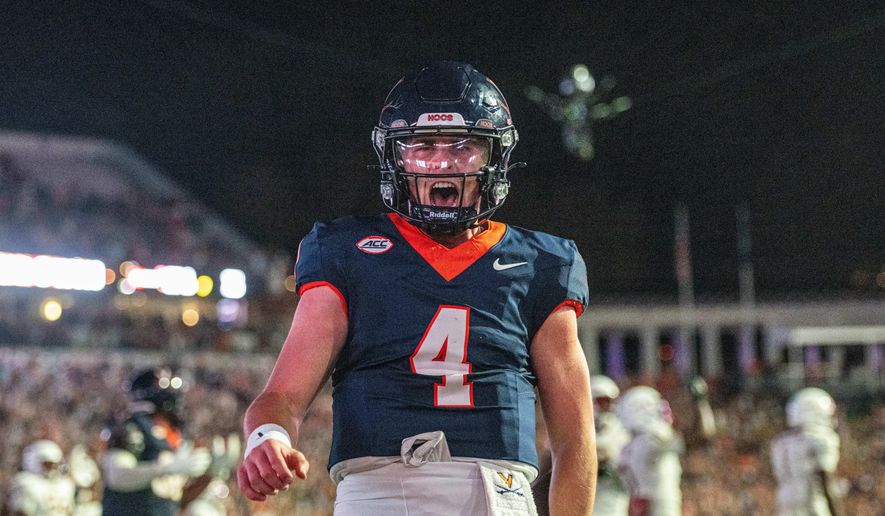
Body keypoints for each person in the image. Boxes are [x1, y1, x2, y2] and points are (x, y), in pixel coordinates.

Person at [237, 61, 597, 515]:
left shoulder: (542, 262)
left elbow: (575, 440)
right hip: (380, 493)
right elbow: (281, 397)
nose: (443, 161)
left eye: (464, 145)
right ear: (396, 157)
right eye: (423, 145)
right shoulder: (345, 250)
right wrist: (267, 437)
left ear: (494, 155)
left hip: (499, 491)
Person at [101, 367, 213, 516]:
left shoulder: (170, 434)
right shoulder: (133, 428)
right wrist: (166, 468)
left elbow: (171, 497)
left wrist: (211, 474)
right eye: (165, 386)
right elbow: (118, 476)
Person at [770, 387, 844, 516]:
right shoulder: (821, 440)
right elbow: (826, 482)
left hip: (785, 509)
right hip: (812, 508)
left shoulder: (780, 443)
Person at [615, 386, 683, 516]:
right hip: (658, 507)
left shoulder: (629, 445)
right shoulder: (648, 441)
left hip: (642, 505)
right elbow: (685, 442)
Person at [590, 375, 630, 516]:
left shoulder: (621, 429)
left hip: (613, 493)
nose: (607, 406)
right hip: (588, 492)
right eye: (602, 401)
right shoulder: (579, 428)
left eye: (609, 401)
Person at [8, 439, 76, 515]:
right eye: (47, 464)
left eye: (54, 464)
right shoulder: (25, 482)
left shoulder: (65, 485)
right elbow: (21, 512)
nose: (52, 468)